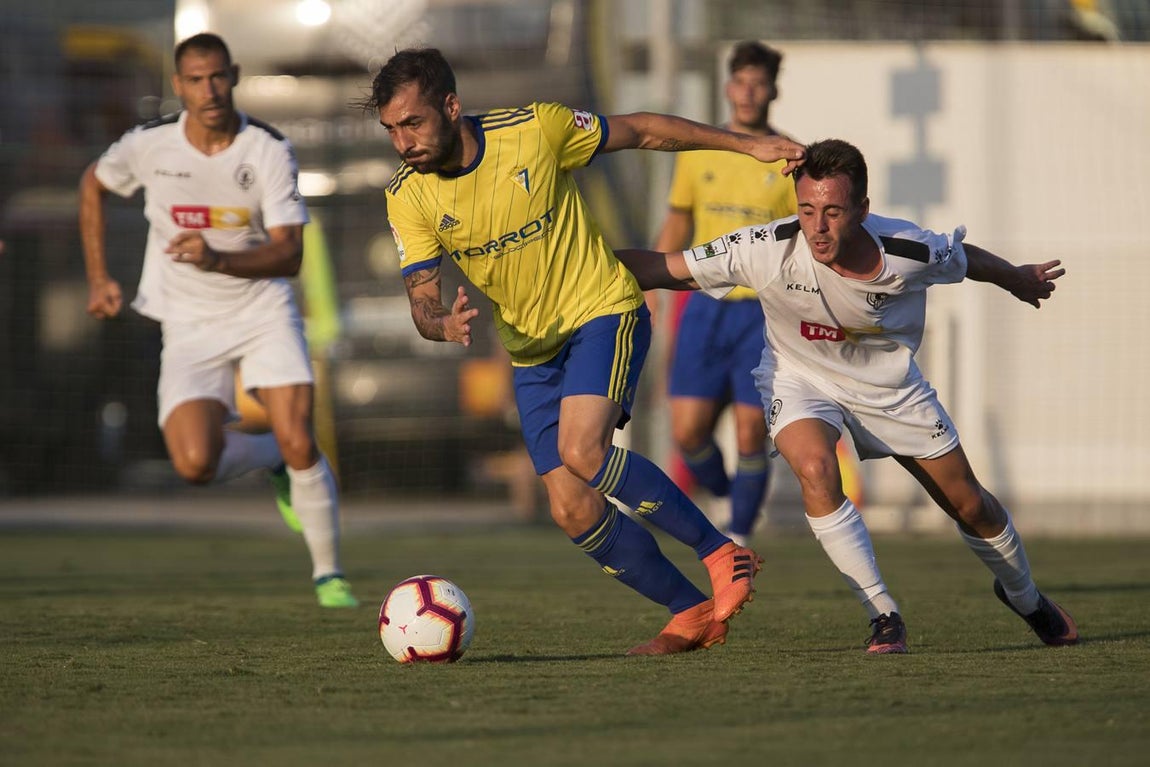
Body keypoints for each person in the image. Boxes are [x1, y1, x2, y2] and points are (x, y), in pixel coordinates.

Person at [361, 48, 805, 655]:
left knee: (583, 448)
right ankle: (692, 613)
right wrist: (437, 324)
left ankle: (723, 554)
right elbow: (421, 298)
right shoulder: (407, 196)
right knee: (570, 507)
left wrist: (744, 145)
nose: (402, 141)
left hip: (603, 311)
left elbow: (644, 129)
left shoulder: (533, 131)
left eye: (412, 123)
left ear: (451, 106)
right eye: (391, 130)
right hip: (530, 352)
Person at [616, 138, 1078, 653]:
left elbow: (964, 258)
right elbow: (664, 267)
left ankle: (1026, 597)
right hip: (800, 380)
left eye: (833, 211)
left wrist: (1016, 278)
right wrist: (575, 266)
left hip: (892, 392)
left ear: (862, 208)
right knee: (815, 469)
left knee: (971, 505)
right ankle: (883, 614)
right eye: (807, 209)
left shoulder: (908, 250)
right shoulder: (763, 248)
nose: (818, 226)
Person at [79, 32, 358, 608]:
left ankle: (329, 575)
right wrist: (99, 277)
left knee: (301, 436)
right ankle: (270, 456)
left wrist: (217, 257)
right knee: (195, 464)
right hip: (186, 320)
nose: (209, 90)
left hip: (262, 308)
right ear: (178, 85)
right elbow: (93, 185)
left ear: (232, 75)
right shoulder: (149, 145)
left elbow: (290, 254)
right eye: (195, 80)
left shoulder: (267, 149)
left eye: (218, 77)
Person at [651, 41, 796, 547]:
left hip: (761, 313)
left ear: (773, 90)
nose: (748, 92)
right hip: (704, 307)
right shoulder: (700, 151)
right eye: (741, 81)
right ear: (728, 87)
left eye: (759, 82)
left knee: (751, 433)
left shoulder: (789, 159)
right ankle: (731, 498)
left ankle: (737, 539)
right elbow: (677, 220)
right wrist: (649, 290)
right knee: (688, 432)